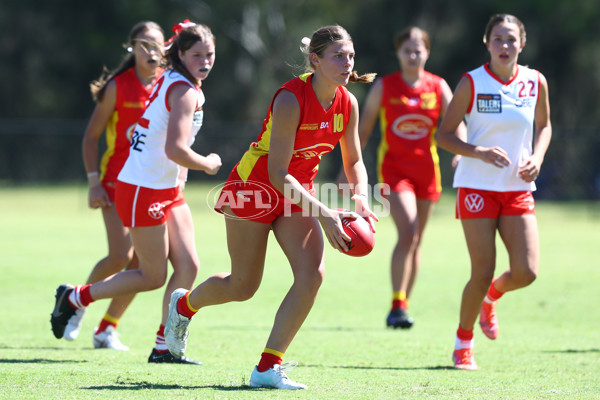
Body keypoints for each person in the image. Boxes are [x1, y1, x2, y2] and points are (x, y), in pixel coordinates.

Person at [163, 25, 379, 390]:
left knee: (313, 275)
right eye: (338, 56)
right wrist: (324, 213)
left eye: (351, 56)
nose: (347, 63)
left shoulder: (348, 103)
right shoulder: (291, 98)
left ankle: (267, 367)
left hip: (298, 192)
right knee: (243, 285)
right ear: (315, 60)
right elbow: (279, 173)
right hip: (255, 187)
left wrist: (361, 196)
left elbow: (354, 160)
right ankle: (184, 307)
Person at [50, 21, 222, 365]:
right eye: (197, 55)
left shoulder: (173, 78)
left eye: (210, 54)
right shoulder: (184, 90)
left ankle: (163, 347)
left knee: (188, 265)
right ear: (182, 55)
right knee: (152, 275)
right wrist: (209, 163)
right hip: (144, 188)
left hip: (167, 186)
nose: (205, 61)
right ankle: (75, 298)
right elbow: (175, 148)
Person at [436, 14, 551, 370]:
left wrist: (538, 157)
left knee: (526, 272)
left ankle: (491, 299)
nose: (505, 46)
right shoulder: (472, 82)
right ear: (487, 43)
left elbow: (545, 126)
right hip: (477, 187)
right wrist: (478, 152)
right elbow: (445, 135)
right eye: (498, 39)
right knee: (482, 269)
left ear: (522, 44)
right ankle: (463, 343)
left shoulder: (535, 81)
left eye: (511, 39)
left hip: (517, 187)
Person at [356, 26, 466, 329]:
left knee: (416, 241)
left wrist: (462, 151)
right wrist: (348, 165)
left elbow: (457, 124)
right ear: (398, 53)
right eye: (407, 50)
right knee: (409, 232)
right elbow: (362, 131)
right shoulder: (384, 87)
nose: (413, 55)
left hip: (428, 173)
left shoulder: (438, 86)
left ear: (427, 53)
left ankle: (403, 303)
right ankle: (397, 304)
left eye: (418, 50)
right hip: (393, 173)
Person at [66, 21, 165, 352]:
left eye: (156, 45)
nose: (150, 52)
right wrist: (93, 183)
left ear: (167, 47)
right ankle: (76, 303)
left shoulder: (170, 85)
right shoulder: (117, 87)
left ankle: (106, 329)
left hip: (150, 186)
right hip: (114, 184)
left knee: (143, 264)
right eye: (143, 45)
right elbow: (91, 138)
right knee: (121, 255)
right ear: (131, 49)